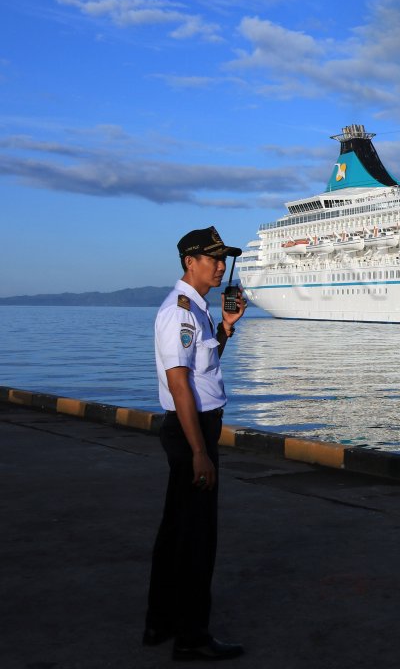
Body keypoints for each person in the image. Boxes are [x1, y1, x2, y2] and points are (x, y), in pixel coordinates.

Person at [144, 226, 246, 661]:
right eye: (213, 258)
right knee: (197, 539)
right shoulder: (180, 312)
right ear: (190, 261)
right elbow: (180, 385)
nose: (221, 265)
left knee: (176, 532)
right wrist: (201, 453)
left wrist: (224, 328)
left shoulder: (199, 311)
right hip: (192, 433)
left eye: (223, 258)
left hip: (193, 428)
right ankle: (192, 637)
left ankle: (161, 623)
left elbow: (202, 370)